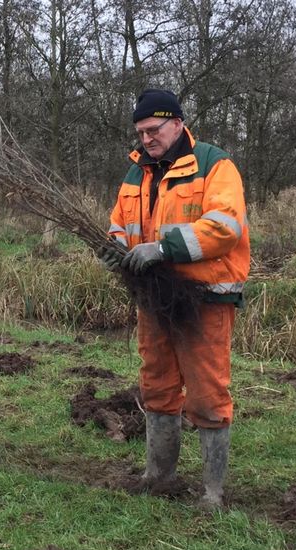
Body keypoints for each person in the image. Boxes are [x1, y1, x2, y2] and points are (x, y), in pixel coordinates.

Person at [100, 89, 250, 507]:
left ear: (178, 123)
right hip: (154, 299)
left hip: (204, 299)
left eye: (153, 130)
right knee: (157, 386)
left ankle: (213, 493)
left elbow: (224, 228)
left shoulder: (212, 164)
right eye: (140, 132)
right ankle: (158, 476)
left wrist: (163, 249)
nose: (146, 139)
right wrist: (114, 251)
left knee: (206, 393)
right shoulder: (136, 174)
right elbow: (120, 228)